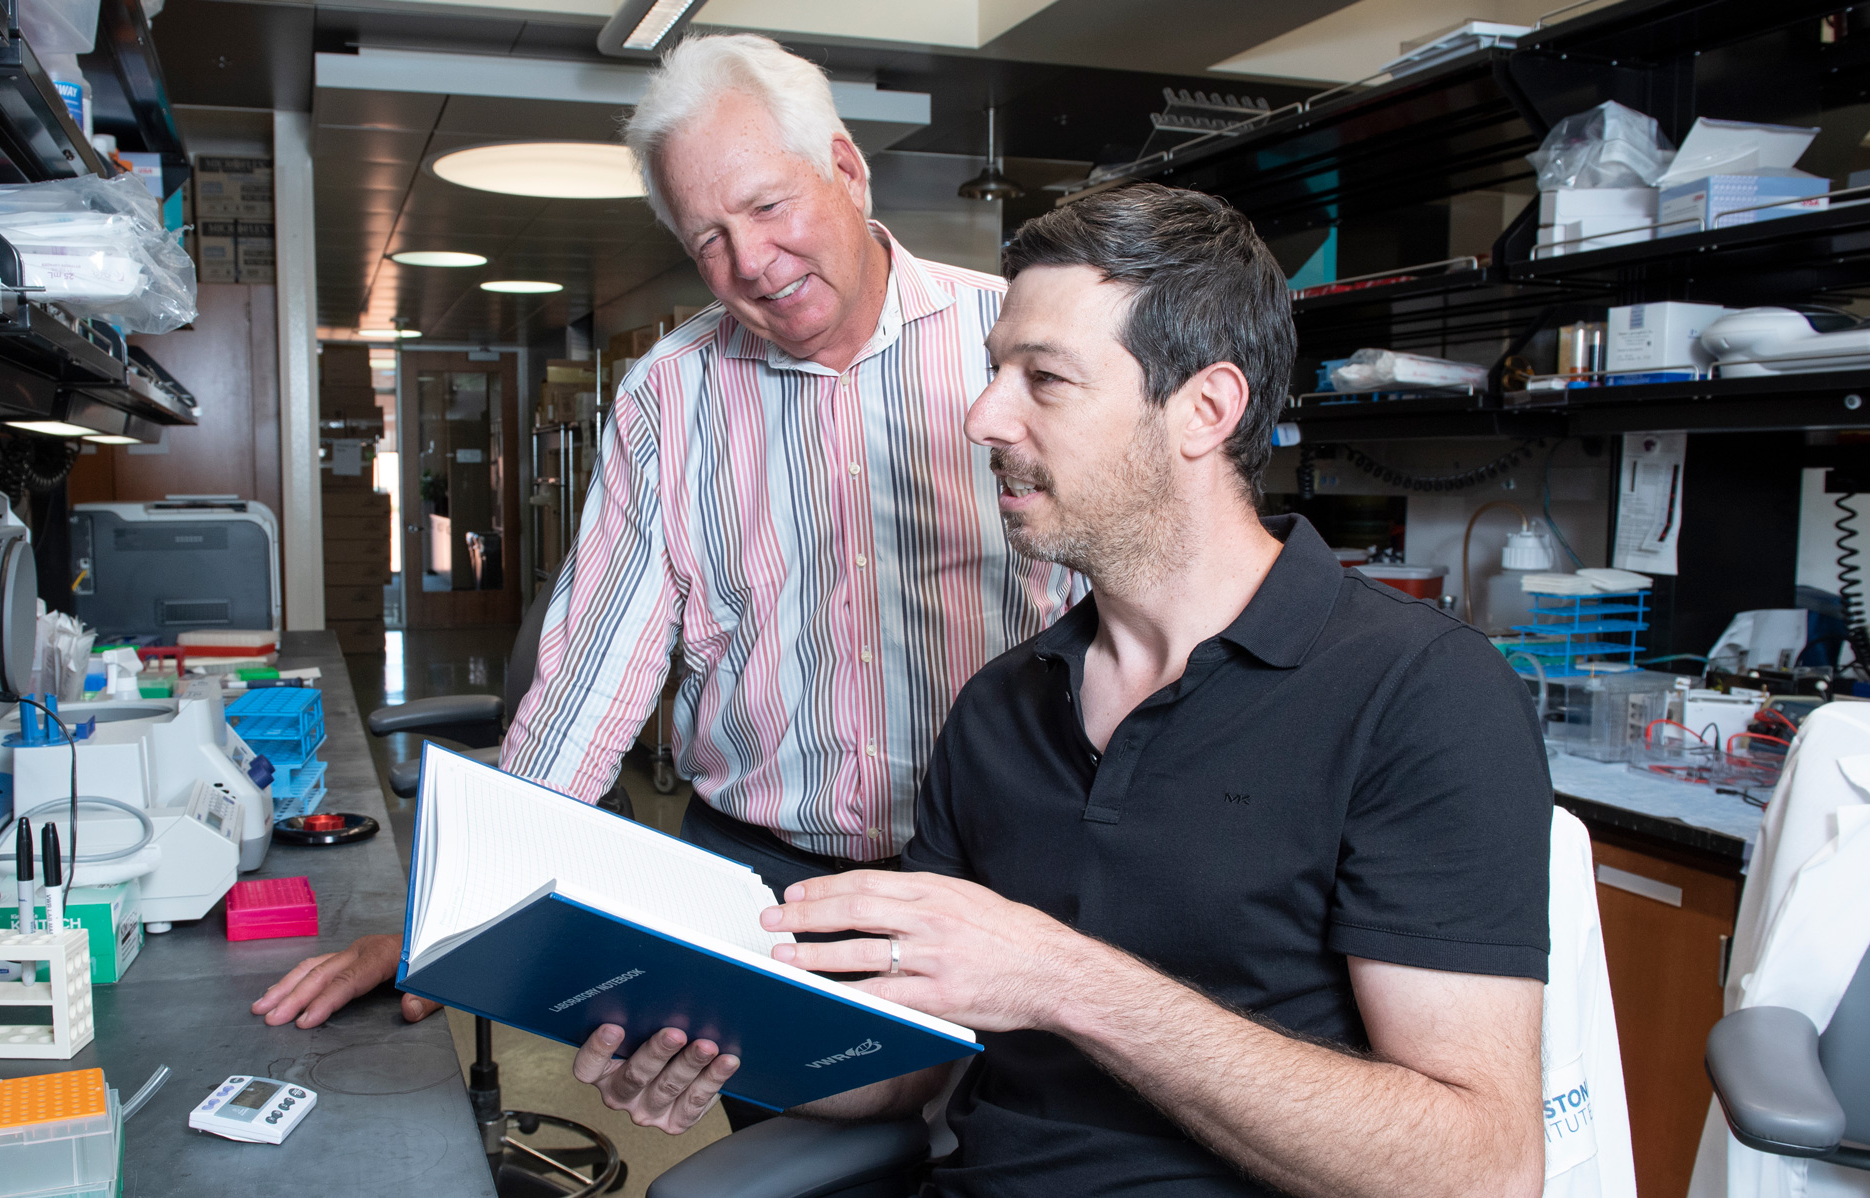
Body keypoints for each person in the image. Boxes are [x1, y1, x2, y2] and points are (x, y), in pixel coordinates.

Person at [570, 182, 1557, 1193]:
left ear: (1205, 410)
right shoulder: (1000, 706)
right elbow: (913, 1072)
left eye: (1044, 379)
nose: (982, 414)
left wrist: (1060, 978)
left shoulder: (1421, 696)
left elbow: (1479, 1168)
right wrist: (726, 1030)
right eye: (996, 369)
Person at [252, 28, 1082, 1081]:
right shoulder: (669, 392)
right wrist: (445, 922)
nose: (751, 264)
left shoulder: (1013, 339)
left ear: (845, 166)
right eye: (708, 240)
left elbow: (1135, 613)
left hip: (1006, 879)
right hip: (767, 894)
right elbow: (591, 684)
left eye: (770, 207)